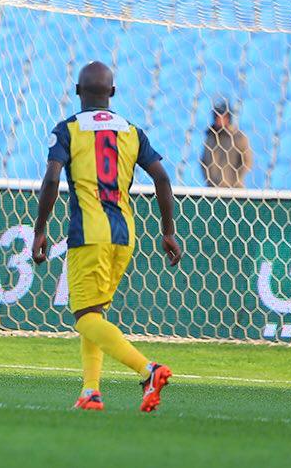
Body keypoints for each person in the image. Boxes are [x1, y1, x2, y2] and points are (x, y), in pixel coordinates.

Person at [32, 61, 182, 412]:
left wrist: (40, 229)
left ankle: (148, 371)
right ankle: (90, 392)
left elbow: (52, 179)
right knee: (94, 315)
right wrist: (168, 231)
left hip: (89, 233)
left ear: (77, 91)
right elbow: (162, 178)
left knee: (85, 317)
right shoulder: (132, 131)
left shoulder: (68, 130)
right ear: (112, 93)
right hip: (124, 234)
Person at [200, 99, 252, 188]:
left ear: (229, 118)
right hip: (213, 191)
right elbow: (203, 161)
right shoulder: (210, 137)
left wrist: (236, 180)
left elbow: (247, 161)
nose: (219, 120)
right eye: (217, 116)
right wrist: (209, 181)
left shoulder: (238, 137)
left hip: (234, 191)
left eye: (223, 116)